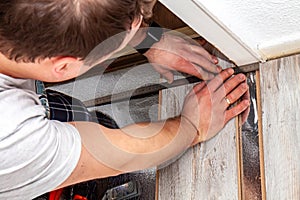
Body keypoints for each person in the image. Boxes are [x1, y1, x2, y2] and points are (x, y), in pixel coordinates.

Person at [0, 0, 250, 199]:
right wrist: (192, 127)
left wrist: (149, 39)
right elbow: (115, 154)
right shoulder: (14, 136)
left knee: (85, 120)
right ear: (64, 67)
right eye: (111, 50)